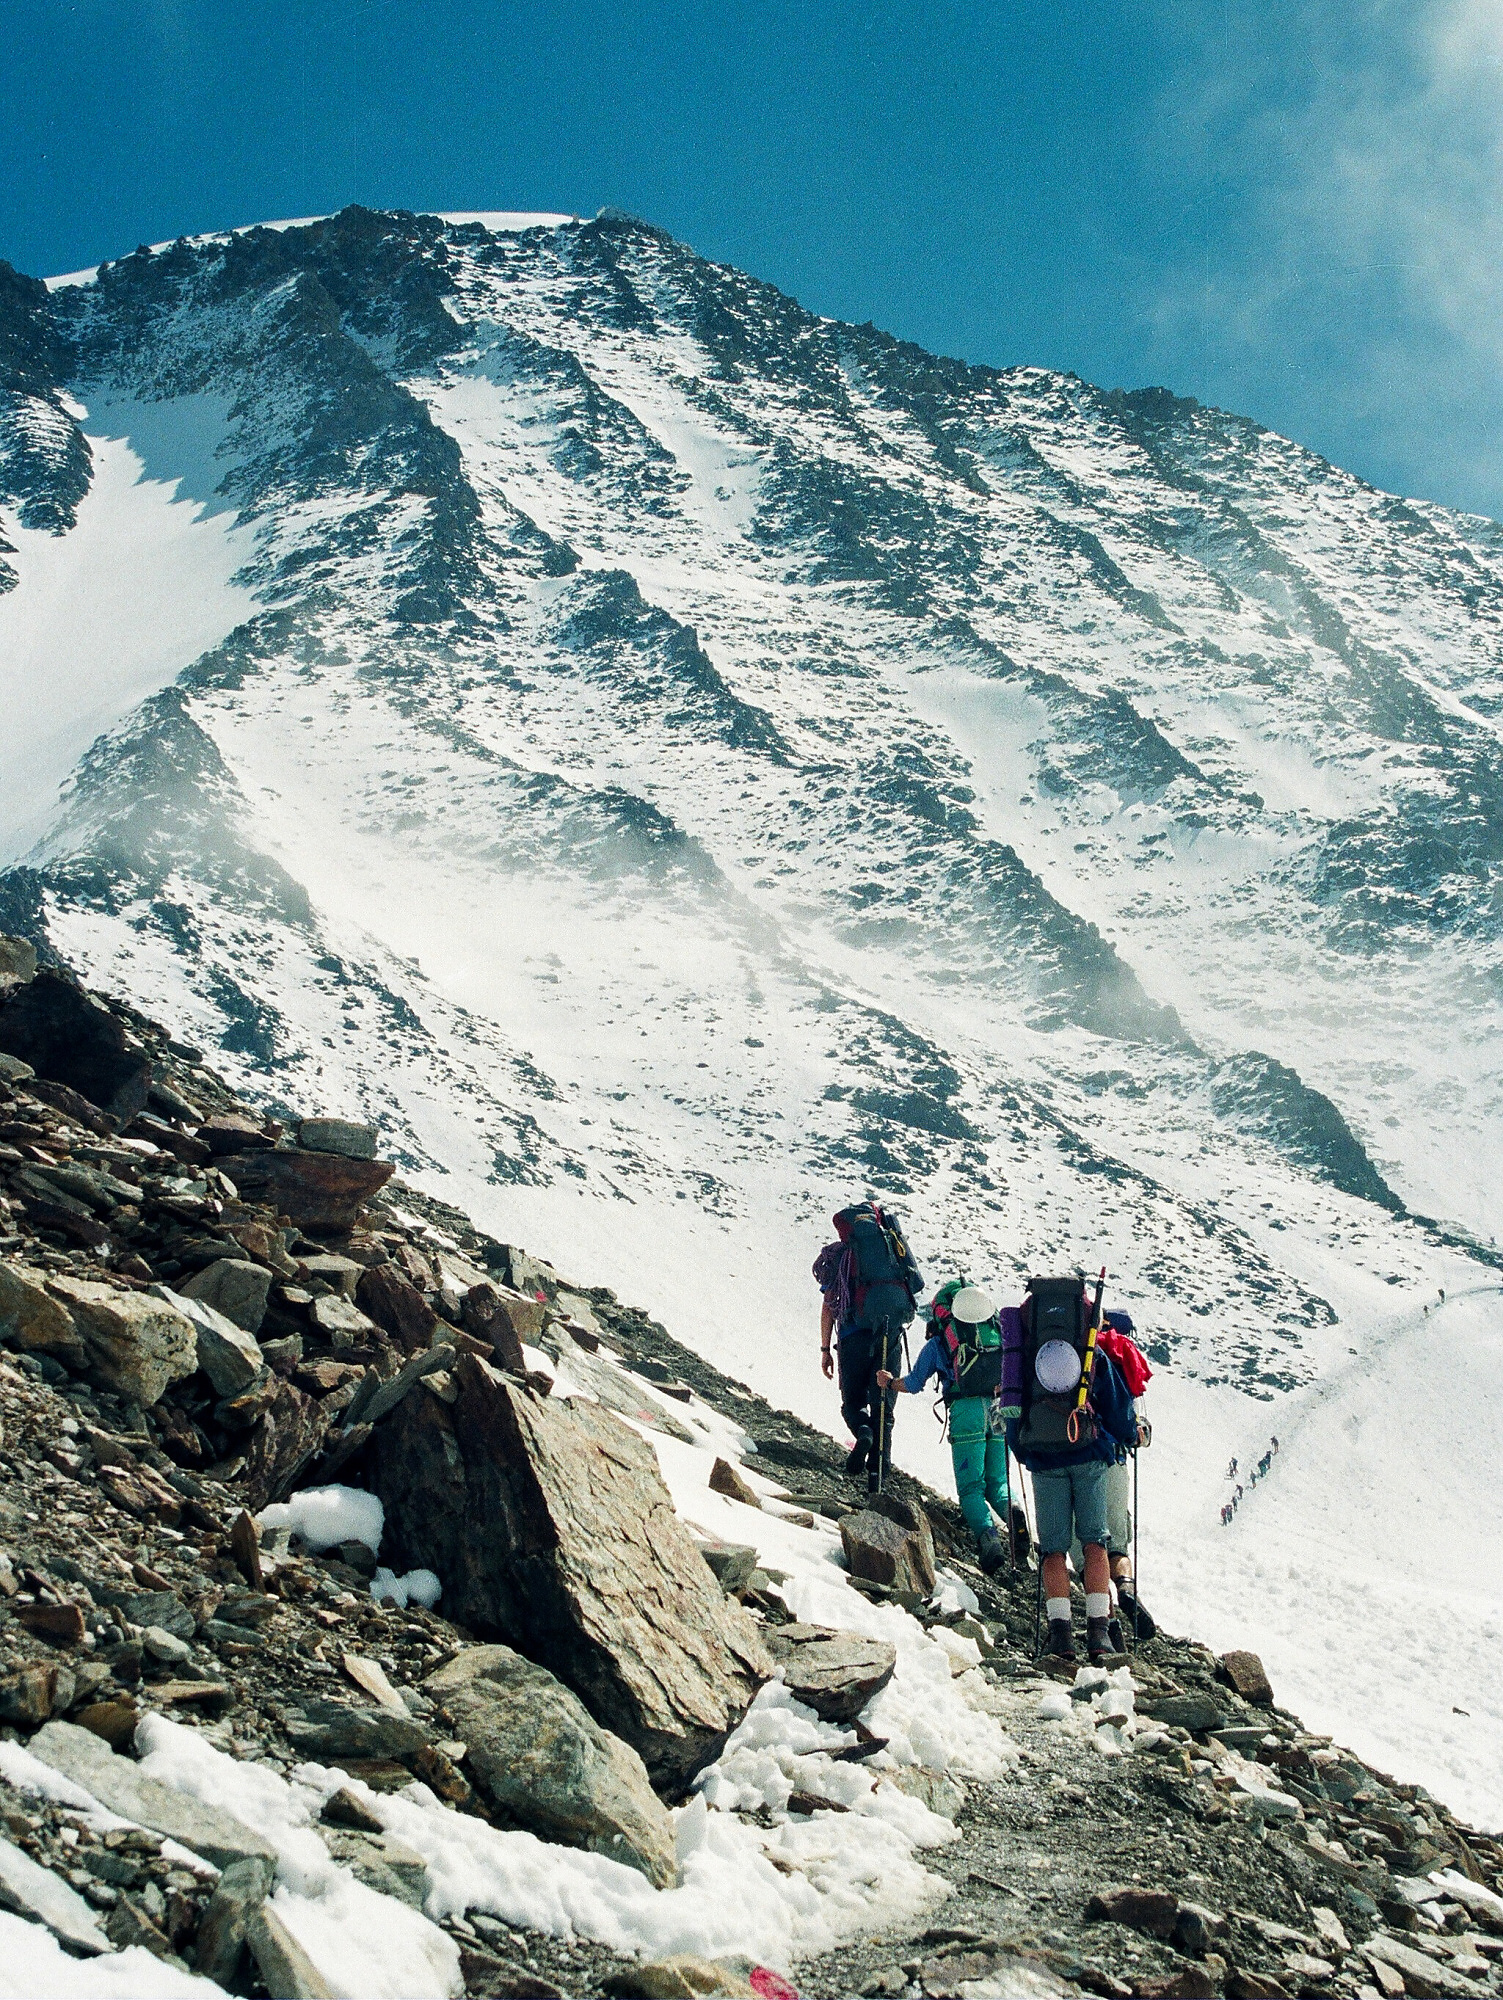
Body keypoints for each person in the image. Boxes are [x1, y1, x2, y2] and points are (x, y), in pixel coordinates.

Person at [1005, 1276, 1140, 1665]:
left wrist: (1026, 1452)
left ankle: (1060, 1636)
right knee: (1095, 1542)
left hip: (1044, 1460)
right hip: (1089, 1456)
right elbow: (1118, 1410)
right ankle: (1099, 1634)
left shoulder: (1025, 1352)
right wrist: (1128, 1436)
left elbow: (1013, 1411)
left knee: (1053, 1549)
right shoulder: (1090, 1350)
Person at [876, 1281, 1017, 1575]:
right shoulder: (996, 1335)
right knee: (998, 1483)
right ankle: (1016, 1519)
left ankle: (989, 1540)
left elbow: (914, 1383)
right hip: (997, 1409)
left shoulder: (942, 1343)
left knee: (970, 1487)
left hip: (965, 1412)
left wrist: (889, 1382)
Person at [813, 1200, 924, 1493]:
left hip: (852, 1337)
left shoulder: (840, 1256)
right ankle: (880, 1476)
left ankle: (862, 1432)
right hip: (891, 1334)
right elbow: (916, 1285)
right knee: (883, 1405)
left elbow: (828, 1307)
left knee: (852, 1404)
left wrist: (825, 1350)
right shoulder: (892, 1251)